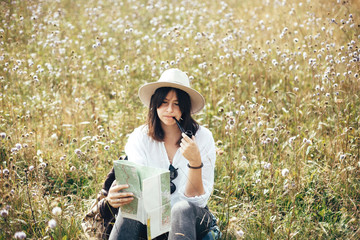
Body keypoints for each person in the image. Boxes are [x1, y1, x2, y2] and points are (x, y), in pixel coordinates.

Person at [103, 68, 216, 239]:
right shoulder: (140, 137)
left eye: (177, 104)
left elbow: (198, 202)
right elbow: (135, 190)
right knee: (129, 212)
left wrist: (195, 162)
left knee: (181, 209)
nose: (169, 109)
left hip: (189, 220)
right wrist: (115, 197)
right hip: (149, 221)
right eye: (163, 102)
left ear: (185, 108)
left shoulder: (203, 138)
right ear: (154, 104)